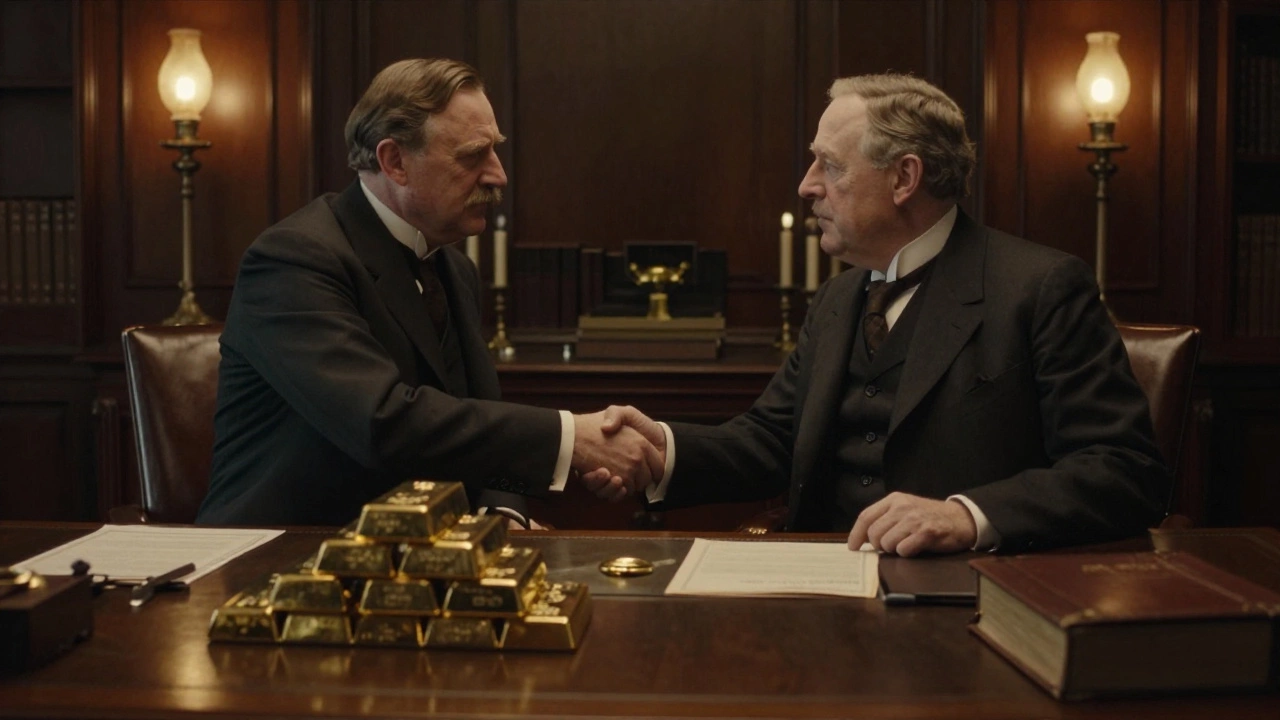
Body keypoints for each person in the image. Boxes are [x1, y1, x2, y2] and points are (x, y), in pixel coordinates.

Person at [589, 73, 1168, 556]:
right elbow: (772, 441)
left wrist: (967, 516)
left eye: (828, 166)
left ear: (904, 178)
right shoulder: (838, 299)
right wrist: (663, 451)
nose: (806, 186)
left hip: (970, 599)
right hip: (817, 590)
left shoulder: (1041, 288)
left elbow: (1123, 470)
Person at [197, 58, 658, 526]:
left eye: (495, 151)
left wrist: (502, 516)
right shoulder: (293, 258)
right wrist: (570, 440)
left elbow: (477, 421)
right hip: (273, 563)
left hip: (415, 566)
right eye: (473, 155)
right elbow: (382, 423)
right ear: (394, 161)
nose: (498, 175)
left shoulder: (453, 268)